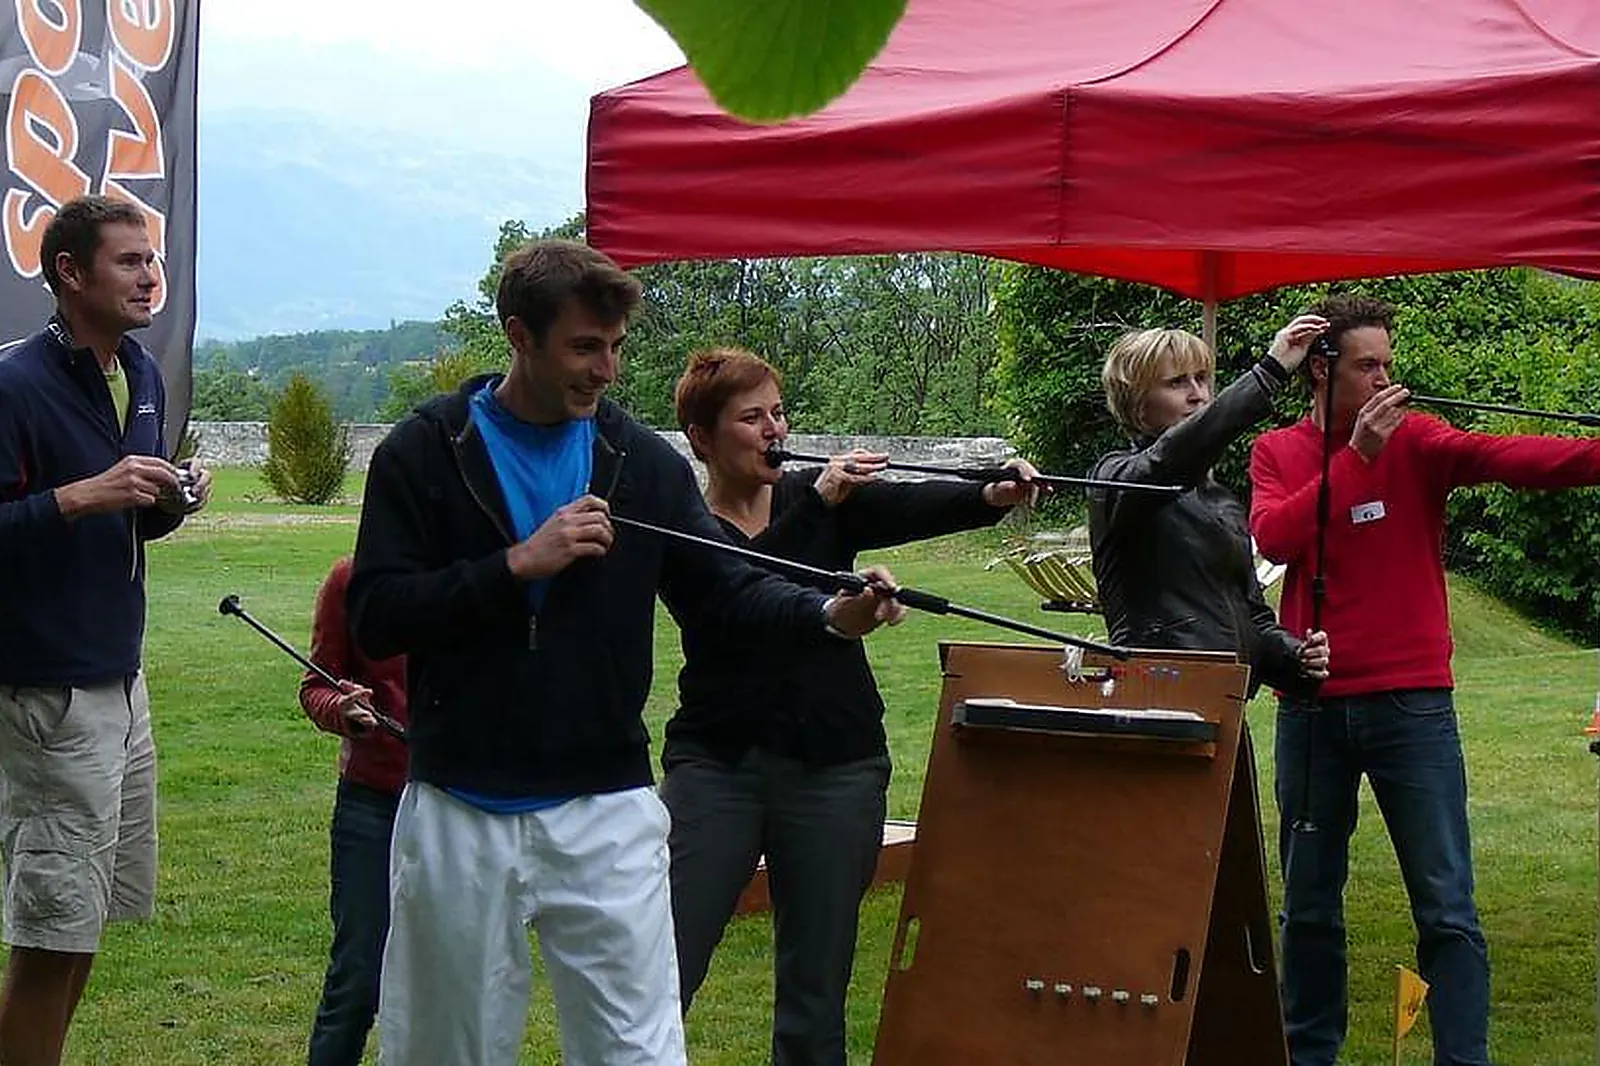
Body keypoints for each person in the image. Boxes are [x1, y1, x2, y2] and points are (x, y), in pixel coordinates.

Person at [347, 239, 902, 1066]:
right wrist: (514, 567)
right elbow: (377, 616)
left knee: (637, 1051)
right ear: (519, 336)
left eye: (614, 348)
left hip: (605, 799)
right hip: (461, 800)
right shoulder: (426, 451)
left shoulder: (638, 462)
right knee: (446, 1049)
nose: (605, 370)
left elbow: (724, 592)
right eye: (582, 347)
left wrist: (829, 611)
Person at [1249, 293, 1600, 1066]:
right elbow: (1275, 536)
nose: (1384, 379)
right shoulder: (1277, 452)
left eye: (1388, 364)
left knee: (1446, 905)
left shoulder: (1419, 439)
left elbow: (1511, 459)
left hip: (1413, 706)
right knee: (1308, 905)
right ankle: (1310, 1054)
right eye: (1367, 364)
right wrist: (1355, 460)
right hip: (1310, 707)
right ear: (1321, 367)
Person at [661, 347, 1036, 1066]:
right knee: (663, 965)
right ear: (702, 439)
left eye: (778, 412)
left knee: (817, 986)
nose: (774, 428)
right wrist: (820, 517)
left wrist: (990, 494)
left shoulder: (812, 496)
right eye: (751, 417)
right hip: (719, 765)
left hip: (836, 765)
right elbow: (746, 596)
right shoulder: (686, 531)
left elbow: (914, 503)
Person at [0, 194, 211, 1066]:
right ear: (69, 274)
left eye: (153, 260)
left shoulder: (143, 374)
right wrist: (89, 491)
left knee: (84, 926)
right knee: (50, 932)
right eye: (128, 262)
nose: (151, 276)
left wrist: (167, 502)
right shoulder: (14, 385)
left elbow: (126, 523)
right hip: (48, 694)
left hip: (122, 685)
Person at [1088, 324, 1329, 694]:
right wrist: (1269, 372)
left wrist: (1295, 655)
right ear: (1137, 402)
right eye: (1176, 383)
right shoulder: (1116, 478)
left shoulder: (1220, 500)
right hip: (1156, 701)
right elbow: (1165, 461)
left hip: (1222, 704)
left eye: (1202, 379)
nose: (1198, 395)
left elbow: (1250, 617)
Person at [299, 556, 408, 1066]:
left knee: (457, 981)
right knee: (357, 978)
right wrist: (340, 709)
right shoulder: (350, 578)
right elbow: (316, 685)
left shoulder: (482, 573)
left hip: (462, 805)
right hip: (374, 802)